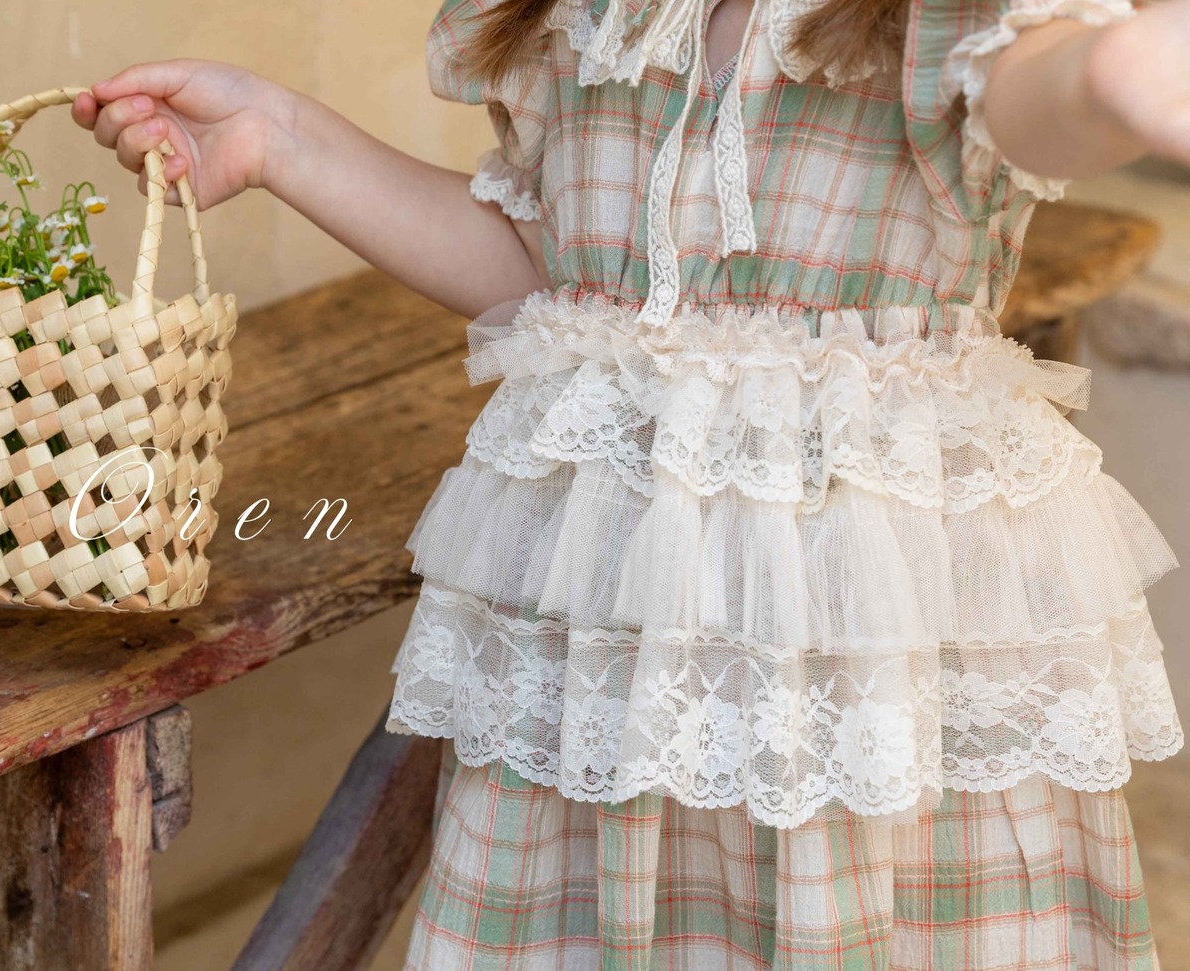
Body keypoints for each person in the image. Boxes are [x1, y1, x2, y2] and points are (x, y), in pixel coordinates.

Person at [74, 0, 1190, 965]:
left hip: (859, 673)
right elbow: (560, 278)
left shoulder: (939, 22)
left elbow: (1035, 85)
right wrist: (283, 138)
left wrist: (1112, 74)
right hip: (609, 662)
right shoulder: (591, 16)